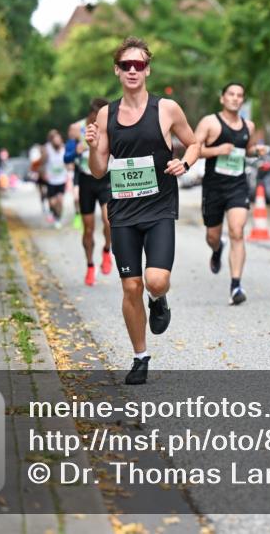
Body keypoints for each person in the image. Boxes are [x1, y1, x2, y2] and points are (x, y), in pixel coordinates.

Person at [85, 37, 200, 385]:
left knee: (155, 280)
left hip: (159, 207)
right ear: (117, 71)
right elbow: (98, 171)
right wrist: (92, 147)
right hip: (123, 212)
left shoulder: (166, 109)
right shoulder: (107, 115)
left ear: (147, 70)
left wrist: (184, 163)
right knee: (130, 287)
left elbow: (194, 143)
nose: (132, 70)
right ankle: (140, 357)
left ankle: (159, 299)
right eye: (126, 65)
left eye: (139, 65)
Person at [194, 83, 268, 305]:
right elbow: (194, 148)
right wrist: (217, 150)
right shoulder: (209, 122)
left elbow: (247, 150)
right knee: (212, 237)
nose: (235, 98)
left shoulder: (249, 126)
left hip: (237, 185)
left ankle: (236, 286)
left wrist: (256, 151)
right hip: (213, 187)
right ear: (222, 98)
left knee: (237, 231)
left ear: (242, 100)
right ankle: (217, 249)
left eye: (239, 95)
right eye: (231, 94)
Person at [72, 99, 114, 286]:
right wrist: (76, 151)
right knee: (88, 229)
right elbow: (66, 156)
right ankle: (90, 265)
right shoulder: (77, 129)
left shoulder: (110, 126)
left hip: (105, 178)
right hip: (86, 180)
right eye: (99, 116)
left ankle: (106, 250)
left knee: (109, 221)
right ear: (91, 114)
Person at [42, 129, 68, 228]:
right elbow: (42, 163)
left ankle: (58, 218)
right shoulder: (47, 149)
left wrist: (69, 169)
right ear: (52, 140)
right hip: (51, 180)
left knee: (60, 200)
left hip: (61, 179)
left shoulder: (64, 148)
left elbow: (67, 161)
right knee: (52, 202)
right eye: (55, 139)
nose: (57, 141)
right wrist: (43, 173)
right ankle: (54, 213)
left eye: (59, 139)